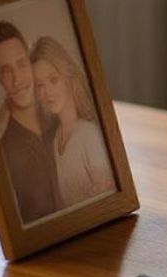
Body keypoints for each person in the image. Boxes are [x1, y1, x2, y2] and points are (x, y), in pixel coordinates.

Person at [0, 21, 63, 223]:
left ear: (31, 64)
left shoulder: (62, 124)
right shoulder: (2, 155)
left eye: (21, 64)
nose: (17, 80)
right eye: (6, 71)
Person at [30, 36, 116, 208]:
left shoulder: (89, 135)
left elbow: (107, 205)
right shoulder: (55, 141)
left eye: (53, 80)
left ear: (69, 78)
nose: (47, 92)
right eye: (40, 85)